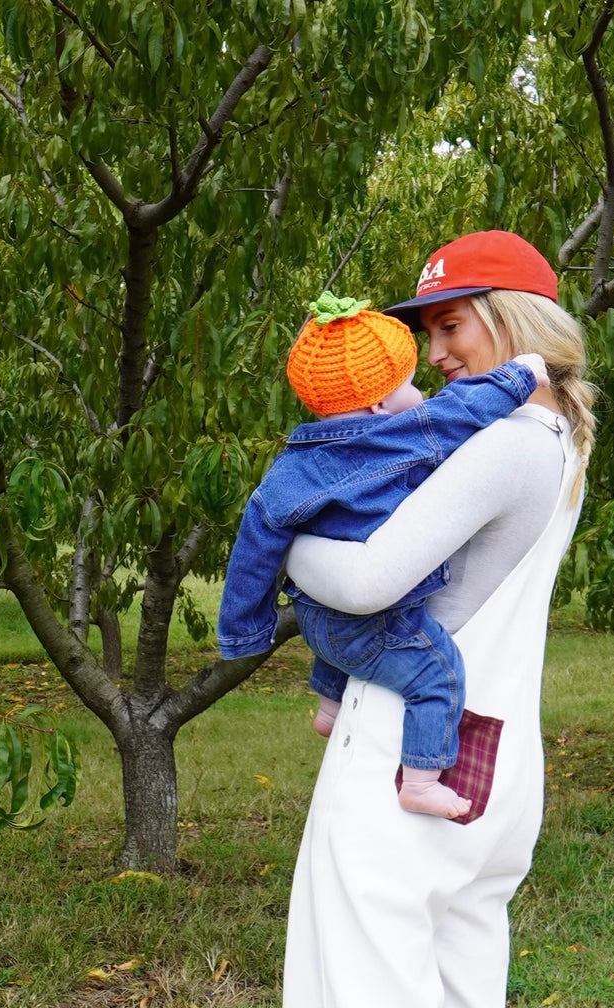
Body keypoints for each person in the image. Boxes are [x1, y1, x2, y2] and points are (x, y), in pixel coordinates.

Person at [279, 231, 598, 1008]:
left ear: (513, 319)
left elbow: (367, 581)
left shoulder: (503, 447)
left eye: (453, 325)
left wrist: (281, 534)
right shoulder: (561, 437)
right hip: (496, 753)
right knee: (464, 995)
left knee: (367, 993)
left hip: (406, 750)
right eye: (429, 333)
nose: (437, 352)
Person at [217, 291, 550, 819]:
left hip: (314, 618)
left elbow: (253, 552)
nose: (423, 391)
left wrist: (244, 629)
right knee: (437, 673)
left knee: (337, 643)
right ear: (378, 404)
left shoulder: (290, 466)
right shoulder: (401, 436)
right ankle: (420, 780)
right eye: (409, 384)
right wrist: (520, 375)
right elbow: (462, 409)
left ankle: (328, 706)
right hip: (372, 618)